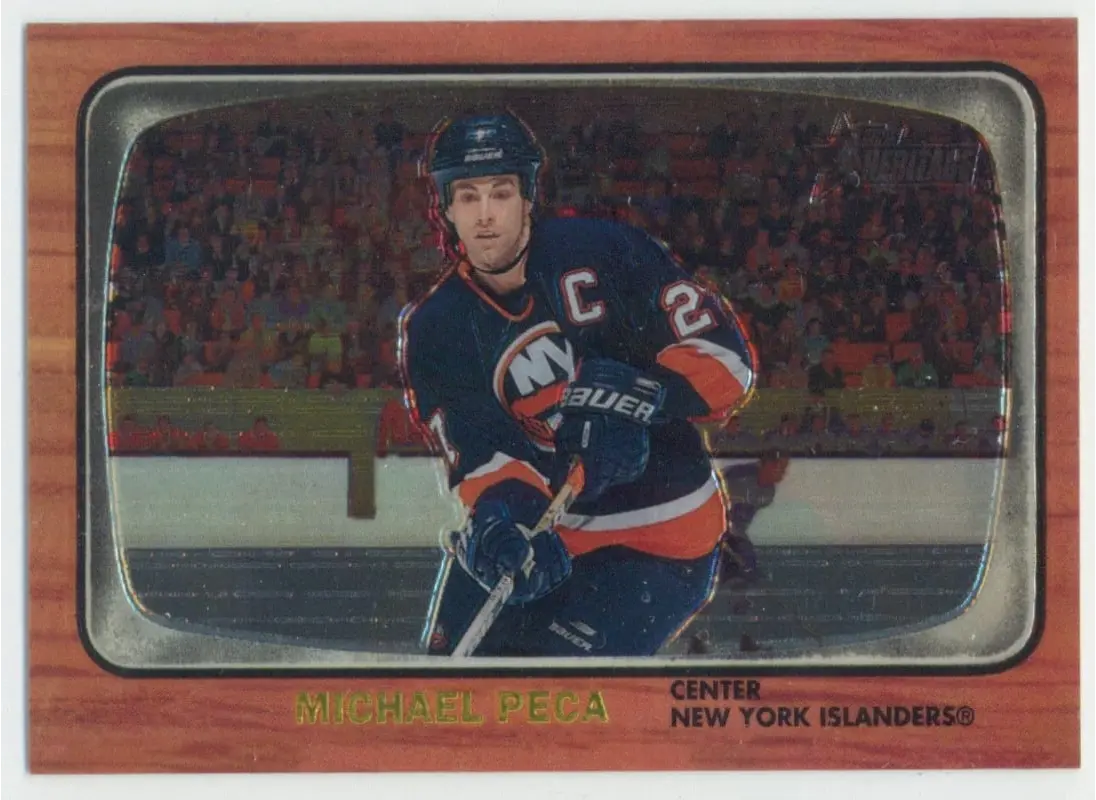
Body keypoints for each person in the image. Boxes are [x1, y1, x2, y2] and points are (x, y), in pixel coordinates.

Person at [400, 113, 756, 657]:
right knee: (448, 676)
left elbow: (728, 362)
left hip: (662, 537)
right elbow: (486, 457)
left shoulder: (605, 248)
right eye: (468, 197)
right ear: (446, 208)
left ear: (528, 197)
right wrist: (505, 524)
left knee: (559, 689)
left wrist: (644, 396)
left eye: (501, 192)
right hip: (551, 532)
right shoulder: (435, 327)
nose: (486, 214)